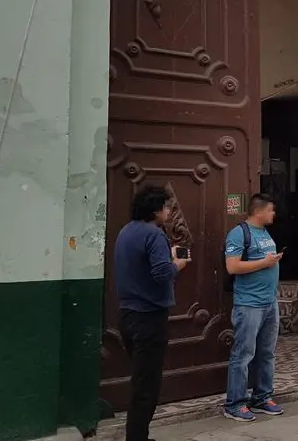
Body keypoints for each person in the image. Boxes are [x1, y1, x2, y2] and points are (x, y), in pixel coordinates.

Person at [114, 184, 189, 441]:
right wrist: (177, 264)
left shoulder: (126, 232)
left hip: (127, 315)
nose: (169, 211)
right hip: (149, 318)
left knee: (140, 380)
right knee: (146, 387)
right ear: (156, 209)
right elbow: (160, 273)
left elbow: (142, 266)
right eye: (166, 206)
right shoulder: (154, 234)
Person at [222, 193, 285, 422]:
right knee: (243, 354)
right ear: (258, 211)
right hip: (248, 305)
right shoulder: (239, 233)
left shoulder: (265, 233)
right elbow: (232, 266)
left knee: (266, 353)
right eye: (271, 210)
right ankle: (235, 403)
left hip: (269, 303)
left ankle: (262, 397)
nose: (273, 214)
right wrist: (265, 263)